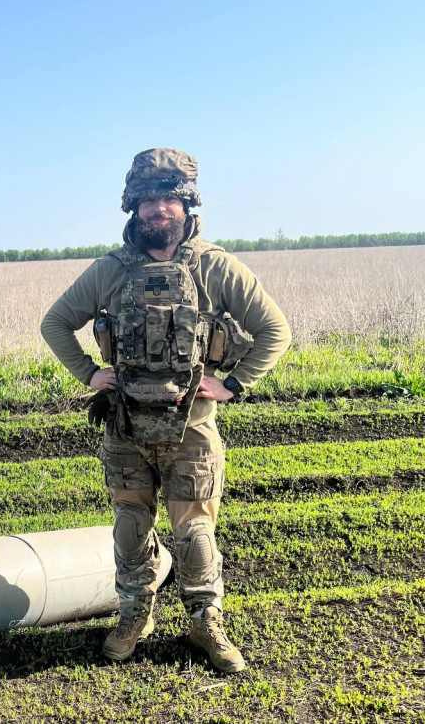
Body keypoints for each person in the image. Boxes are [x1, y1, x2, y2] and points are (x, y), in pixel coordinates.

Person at [40, 148, 291, 673]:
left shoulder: (215, 267)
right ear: (133, 206)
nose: (159, 208)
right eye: (148, 199)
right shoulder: (110, 270)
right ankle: (135, 614)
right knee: (130, 528)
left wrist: (232, 384)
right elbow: (55, 323)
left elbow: (275, 330)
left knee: (195, 535)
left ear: (187, 203)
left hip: (192, 432)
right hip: (125, 428)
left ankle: (205, 621)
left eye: (169, 198)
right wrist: (89, 374)